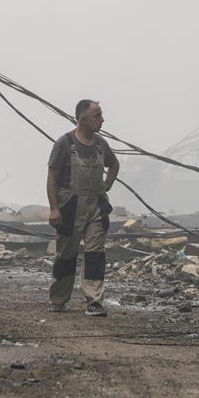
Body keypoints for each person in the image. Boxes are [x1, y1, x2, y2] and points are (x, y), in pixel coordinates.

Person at [46, 99, 119, 316]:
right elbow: (52, 178)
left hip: (95, 206)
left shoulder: (100, 144)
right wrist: (54, 209)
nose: (102, 120)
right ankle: (58, 299)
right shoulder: (64, 144)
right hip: (70, 207)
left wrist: (107, 184)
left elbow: (114, 164)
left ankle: (94, 301)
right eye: (97, 115)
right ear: (83, 119)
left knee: (95, 253)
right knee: (66, 255)